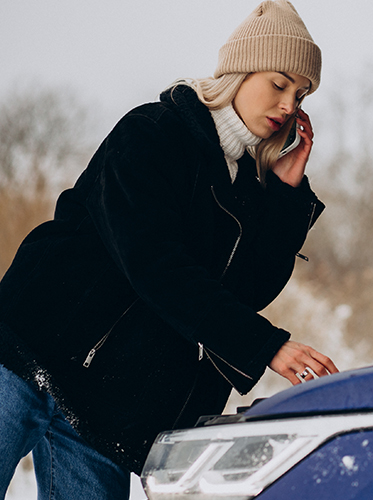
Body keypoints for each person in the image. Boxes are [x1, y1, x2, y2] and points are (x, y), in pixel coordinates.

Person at [0, 1, 338, 498]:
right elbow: (155, 266)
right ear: (240, 72)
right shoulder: (154, 133)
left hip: (107, 408)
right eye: (279, 83)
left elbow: (247, 292)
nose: (289, 104)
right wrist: (268, 347)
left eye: (302, 93)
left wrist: (286, 198)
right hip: (29, 354)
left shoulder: (249, 186)